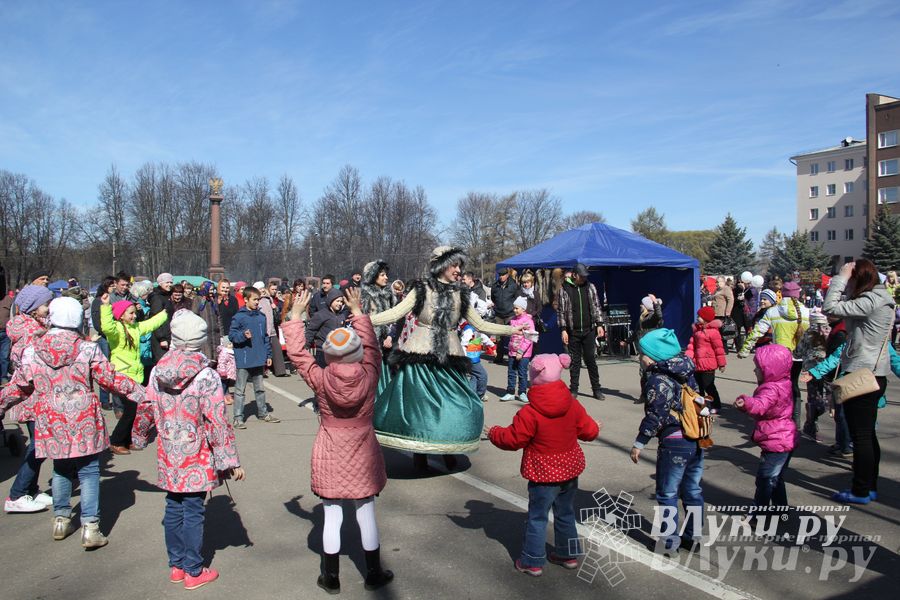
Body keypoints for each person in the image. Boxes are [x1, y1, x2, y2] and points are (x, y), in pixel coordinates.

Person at [0, 297, 144, 547]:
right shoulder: (87, 349)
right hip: (83, 416)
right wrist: (144, 394)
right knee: (88, 471)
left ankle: (61, 519)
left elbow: (20, 385)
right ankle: (90, 527)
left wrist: (1, 403)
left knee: (61, 468)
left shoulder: (33, 350)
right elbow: (110, 379)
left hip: (51, 417)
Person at [368, 246, 520, 470]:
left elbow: (480, 324)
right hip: (420, 357)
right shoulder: (421, 289)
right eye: (454, 265)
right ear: (440, 266)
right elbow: (396, 312)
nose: (458, 270)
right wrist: (365, 319)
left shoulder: (462, 294)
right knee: (420, 408)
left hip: (451, 357)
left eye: (460, 266)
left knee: (458, 405)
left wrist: (513, 330)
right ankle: (420, 453)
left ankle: (449, 447)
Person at [283, 288, 394, 593]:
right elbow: (372, 348)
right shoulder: (369, 374)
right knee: (365, 511)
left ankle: (331, 577)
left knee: (331, 514)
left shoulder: (320, 379)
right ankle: (373, 572)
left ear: (329, 353)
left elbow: (299, 355)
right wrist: (358, 312)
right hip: (363, 448)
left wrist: (294, 317)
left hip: (331, 447)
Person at [132, 309, 243, 589]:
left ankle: (177, 566)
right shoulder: (206, 375)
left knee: (173, 505)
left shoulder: (158, 371)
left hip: (169, 450)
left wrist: (139, 436)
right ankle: (193, 570)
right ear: (200, 340)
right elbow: (217, 420)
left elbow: (146, 406)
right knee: (193, 509)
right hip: (197, 451)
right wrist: (229, 460)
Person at [487, 353, 600, 576]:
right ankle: (568, 554)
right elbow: (588, 431)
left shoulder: (529, 412)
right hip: (569, 469)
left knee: (538, 516)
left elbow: (513, 439)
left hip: (543, 473)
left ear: (534, 377)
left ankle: (532, 560)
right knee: (565, 512)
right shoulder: (572, 404)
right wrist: (596, 427)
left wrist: (495, 433)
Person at [821, 259, 894, 504]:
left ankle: (861, 490)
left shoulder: (870, 300)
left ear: (857, 279)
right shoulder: (878, 298)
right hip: (873, 373)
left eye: (850, 280)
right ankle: (868, 486)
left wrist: (840, 278)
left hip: (862, 375)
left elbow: (830, 307)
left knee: (860, 436)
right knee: (867, 435)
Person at [630, 328, 704, 555]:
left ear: (654, 357)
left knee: (668, 493)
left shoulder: (658, 380)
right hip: (695, 437)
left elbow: (656, 415)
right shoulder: (686, 371)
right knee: (692, 490)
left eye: (642, 354)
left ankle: (669, 542)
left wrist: (640, 442)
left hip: (673, 441)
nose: (640, 358)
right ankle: (693, 536)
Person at [3, 284, 54, 514]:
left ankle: (31, 489)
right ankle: (17, 494)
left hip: (35, 397)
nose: (49, 308)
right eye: (46, 305)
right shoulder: (31, 334)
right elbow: (30, 370)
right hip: (34, 396)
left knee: (39, 443)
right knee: (39, 446)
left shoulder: (33, 327)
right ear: (33, 308)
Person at [735, 344, 798, 519]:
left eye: (758, 367)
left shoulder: (770, 388)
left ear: (770, 369)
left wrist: (746, 402)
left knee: (765, 479)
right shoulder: (784, 382)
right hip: (785, 436)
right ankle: (780, 508)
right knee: (775, 478)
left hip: (776, 440)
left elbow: (761, 405)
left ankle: (758, 514)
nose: (755, 371)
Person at [101, 294, 168, 455]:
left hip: (135, 376)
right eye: (130, 313)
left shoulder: (136, 328)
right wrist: (106, 307)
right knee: (131, 409)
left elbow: (151, 324)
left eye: (134, 312)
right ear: (121, 315)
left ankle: (127, 439)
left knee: (136, 409)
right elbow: (107, 327)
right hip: (122, 376)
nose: (134, 316)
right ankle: (116, 441)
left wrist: (166, 312)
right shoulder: (116, 329)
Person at [738, 282, 809, 427]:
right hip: (798, 356)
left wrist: (745, 349)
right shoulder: (806, 311)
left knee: (777, 387)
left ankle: (778, 416)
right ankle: (795, 420)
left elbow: (757, 331)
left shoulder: (773, 311)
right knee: (794, 385)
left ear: (782, 293)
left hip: (779, 358)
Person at [228, 286, 278, 428]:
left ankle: (263, 413)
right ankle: (238, 418)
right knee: (240, 390)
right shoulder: (239, 317)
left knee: (260, 388)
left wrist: (268, 355)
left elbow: (265, 337)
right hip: (244, 359)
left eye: (258, 299)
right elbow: (232, 336)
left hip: (259, 358)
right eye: (255, 299)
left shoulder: (261, 317)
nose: (257, 302)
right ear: (246, 299)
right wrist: (243, 335)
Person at [555, 263, 606, 400]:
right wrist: (563, 330)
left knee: (590, 360)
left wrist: (600, 324)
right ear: (574, 275)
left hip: (589, 330)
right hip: (573, 331)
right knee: (575, 362)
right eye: (581, 276)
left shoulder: (590, 287)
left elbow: (596, 306)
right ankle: (574, 389)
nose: (584, 278)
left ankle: (596, 389)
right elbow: (560, 311)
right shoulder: (564, 289)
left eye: (585, 276)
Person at [360, 260, 397, 395]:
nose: (386, 277)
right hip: (369, 345)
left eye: (386, 274)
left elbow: (395, 318)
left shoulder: (389, 294)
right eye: (382, 275)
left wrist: (390, 336)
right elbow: (361, 320)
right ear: (372, 276)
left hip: (387, 346)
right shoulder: (364, 295)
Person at [792, 312, 830, 441]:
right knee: (827, 398)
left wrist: (799, 354)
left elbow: (798, 352)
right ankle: (811, 425)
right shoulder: (830, 332)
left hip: (812, 371)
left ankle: (810, 424)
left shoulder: (808, 333)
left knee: (815, 398)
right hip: (826, 370)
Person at [685, 306, 727, 413]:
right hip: (697, 363)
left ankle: (716, 405)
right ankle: (700, 405)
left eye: (700, 316)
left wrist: (722, 364)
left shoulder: (713, 332)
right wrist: (688, 358)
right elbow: (692, 346)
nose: (697, 318)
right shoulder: (697, 330)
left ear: (706, 319)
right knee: (698, 386)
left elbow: (719, 349)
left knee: (708, 386)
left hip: (708, 364)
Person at [501, 297, 535, 403]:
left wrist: (520, 351)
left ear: (523, 309)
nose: (514, 310)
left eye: (517, 308)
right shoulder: (513, 320)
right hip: (512, 351)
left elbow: (529, 338)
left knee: (522, 373)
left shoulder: (528, 321)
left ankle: (522, 393)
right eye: (514, 308)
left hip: (524, 354)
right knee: (511, 372)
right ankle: (510, 392)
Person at [305, 289, 349, 368]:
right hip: (323, 351)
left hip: (337, 352)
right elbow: (311, 330)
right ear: (330, 300)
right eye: (337, 301)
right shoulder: (321, 315)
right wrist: (305, 346)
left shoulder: (341, 316)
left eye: (341, 302)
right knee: (323, 373)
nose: (340, 304)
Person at [490, 267, 521, 364]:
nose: (501, 277)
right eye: (500, 275)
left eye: (503, 275)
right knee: (499, 337)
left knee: (514, 336)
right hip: (499, 314)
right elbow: (493, 298)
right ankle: (499, 357)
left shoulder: (514, 285)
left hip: (510, 314)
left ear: (507, 275)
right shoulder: (495, 286)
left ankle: (515, 358)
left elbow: (518, 298)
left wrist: (514, 310)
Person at [258, 280, 288, 377]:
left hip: (272, 329)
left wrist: (275, 308)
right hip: (262, 329)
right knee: (262, 350)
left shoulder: (269, 299)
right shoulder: (257, 300)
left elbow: (276, 312)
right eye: (260, 289)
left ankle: (280, 371)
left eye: (263, 289)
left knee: (277, 349)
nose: (262, 291)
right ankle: (261, 371)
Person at [460, 320, 494, 402]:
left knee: (474, 377)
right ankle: (479, 395)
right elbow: (463, 344)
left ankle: (470, 395)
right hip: (471, 359)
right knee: (483, 375)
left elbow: (483, 337)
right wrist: (465, 359)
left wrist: (492, 346)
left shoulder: (476, 329)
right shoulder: (469, 330)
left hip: (474, 358)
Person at [191, 281, 222, 365]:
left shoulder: (213, 300)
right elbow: (195, 315)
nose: (212, 292)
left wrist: (221, 332)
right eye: (210, 290)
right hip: (204, 333)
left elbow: (218, 316)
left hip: (215, 333)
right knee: (206, 356)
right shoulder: (198, 299)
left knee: (216, 356)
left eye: (213, 290)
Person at [149, 273, 175, 363]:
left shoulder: (167, 296)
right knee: (162, 362)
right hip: (161, 337)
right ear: (160, 283)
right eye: (167, 282)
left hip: (168, 334)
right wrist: (162, 338)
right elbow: (155, 318)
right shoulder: (157, 298)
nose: (169, 285)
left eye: (171, 282)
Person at [0, 289, 12, 383]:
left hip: (5, 333)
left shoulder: (9, 299)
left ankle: (3, 377)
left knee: (4, 357)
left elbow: (13, 315)